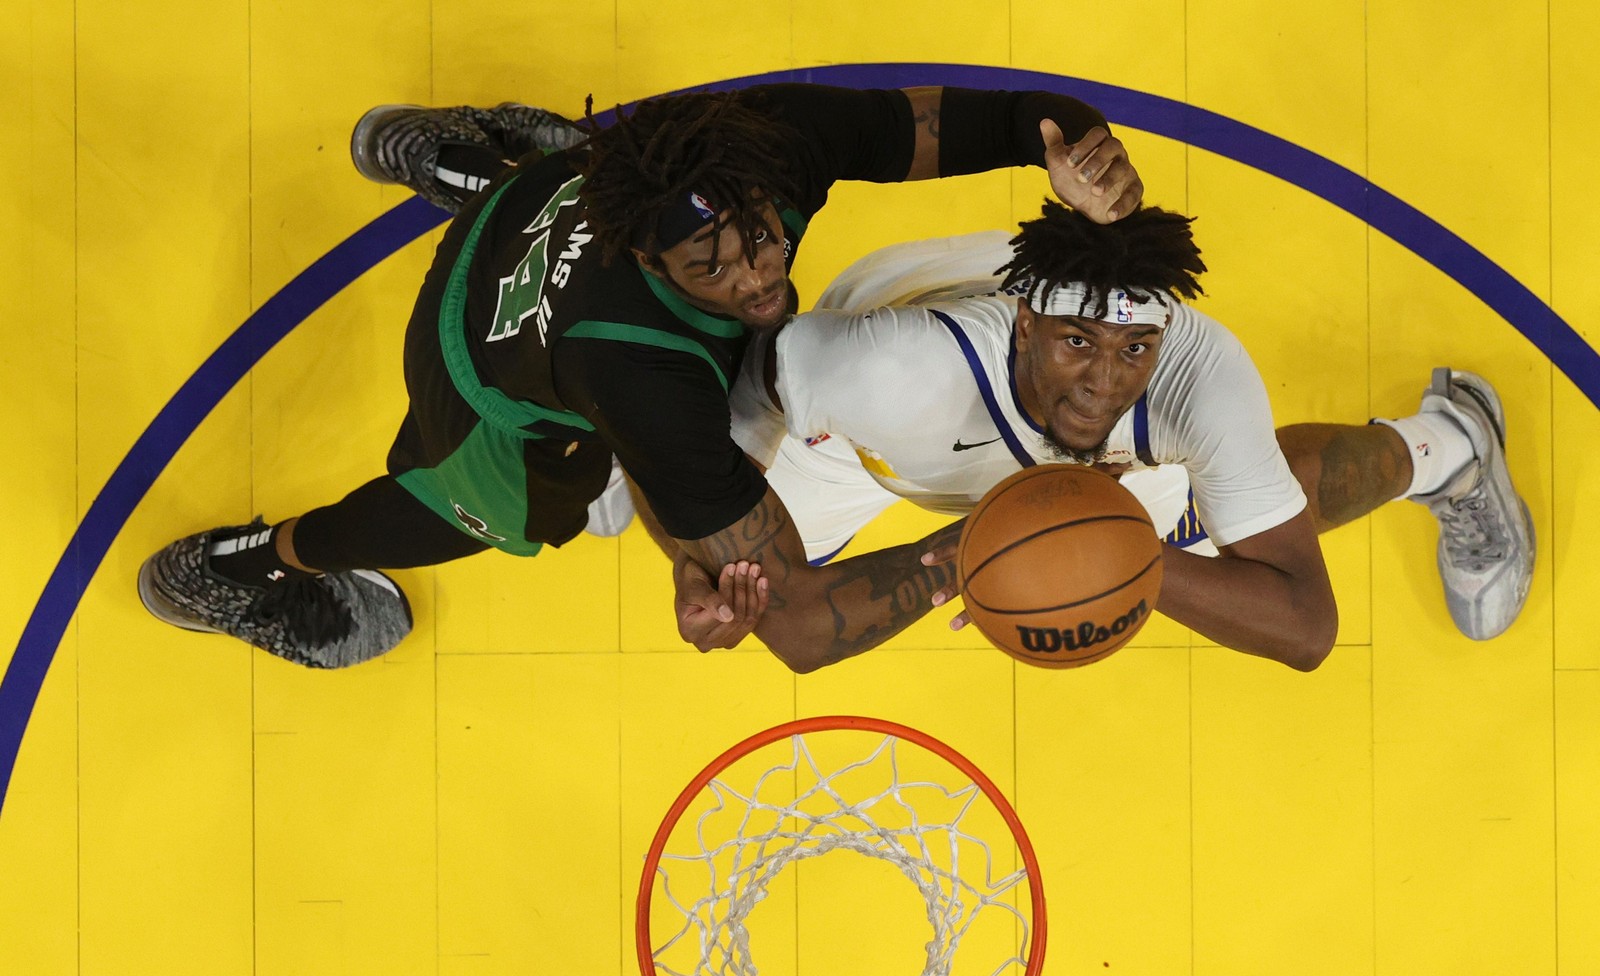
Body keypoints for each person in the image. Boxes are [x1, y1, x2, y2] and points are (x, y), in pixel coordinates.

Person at [137, 86, 1146, 672]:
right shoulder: (630, 370)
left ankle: (467, 168)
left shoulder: (765, 143)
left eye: (756, 236)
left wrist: (1080, 169)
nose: (756, 274)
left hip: (552, 208)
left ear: (764, 185)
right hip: (481, 371)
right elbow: (792, 627)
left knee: (619, 162)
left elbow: (1024, 119)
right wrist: (986, 543)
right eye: (712, 269)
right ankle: (250, 568)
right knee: (489, 513)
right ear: (654, 267)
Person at [681, 204, 1533, 669]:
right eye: (1078, 343)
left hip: (1102, 473)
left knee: (1232, 502)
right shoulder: (879, 375)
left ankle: (1450, 445)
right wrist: (692, 546)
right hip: (869, 447)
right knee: (744, 565)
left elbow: (1306, 626)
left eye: (1134, 349)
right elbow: (795, 629)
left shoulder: (1193, 374)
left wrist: (1120, 551)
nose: (1103, 381)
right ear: (1025, 328)